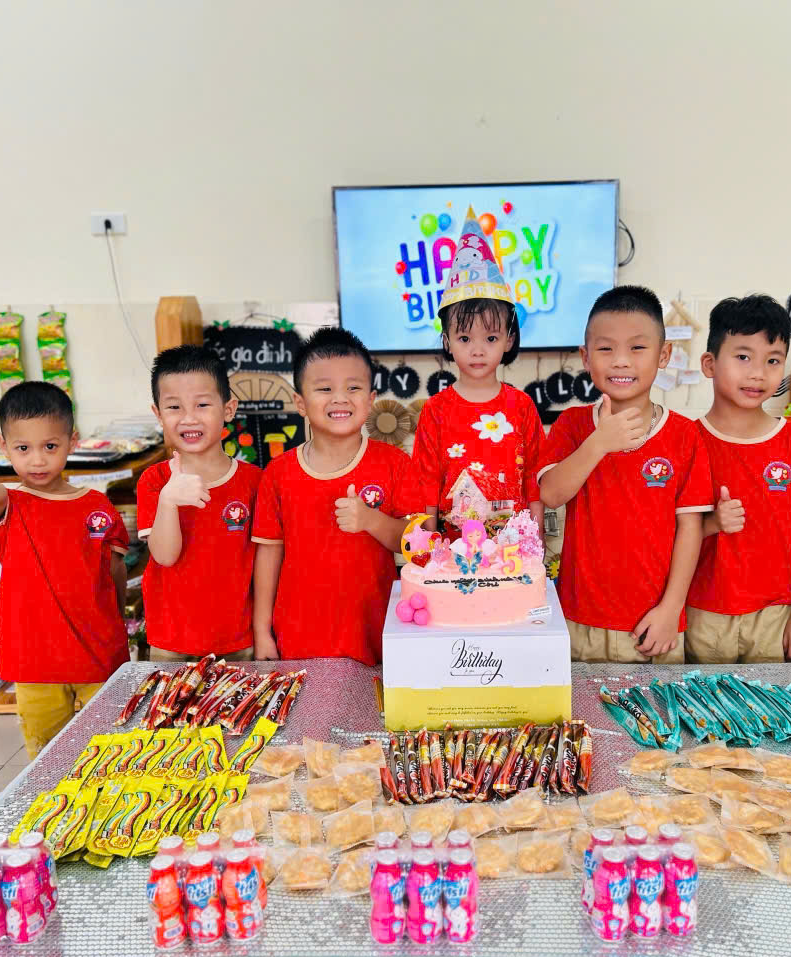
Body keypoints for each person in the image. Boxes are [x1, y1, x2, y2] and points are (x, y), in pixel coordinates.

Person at [0, 382, 128, 758]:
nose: (37, 460)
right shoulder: (10, 504)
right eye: (23, 448)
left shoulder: (98, 506)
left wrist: (117, 630)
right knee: (47, 758)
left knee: (112, 753)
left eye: (50, 446)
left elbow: (115, 572)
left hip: (100, 655)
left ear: (72, 441)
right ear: (3, 447)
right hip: (36, 664)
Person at [538, 285, 713, 663]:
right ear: (585, 357)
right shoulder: (572, 425)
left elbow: (690, 529)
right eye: (606, 349)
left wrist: (671, 610)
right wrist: (600, 443)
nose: (620, 361)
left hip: (655, 626)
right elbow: (550, 494)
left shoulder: (685, 435)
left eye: (637, 348)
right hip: (580, 619)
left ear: (664, 355)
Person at [252, 327, 410, 664]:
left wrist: (371, 520)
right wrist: (261, 631)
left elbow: (413, 542)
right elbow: (268, 556)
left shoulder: (394, 463)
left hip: (375, 635)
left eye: (353, 388)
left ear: (371, 399)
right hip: (298, 639)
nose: (340, 398)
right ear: (300, 403)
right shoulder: (278, 474)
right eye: (325, 389)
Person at [685, 295, 791, 664]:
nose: (758, 373)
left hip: (776, 613)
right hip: (702, 611)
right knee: (704, 701)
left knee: (769, 702)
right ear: (710, 364)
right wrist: (712, 523)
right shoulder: (687, 440)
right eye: (743, 357)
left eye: (773, 361)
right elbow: (670, 532)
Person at [404, 207, 543, 539]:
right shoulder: (436, 410)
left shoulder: (522, 406)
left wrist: (535, 542)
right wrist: (429, 548)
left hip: (514, 552)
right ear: (447, 341)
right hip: (452, 552)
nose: (477, 350)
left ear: (509, 339)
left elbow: (535, 480)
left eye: (490, 338)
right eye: (465, 338)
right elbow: (426, 484)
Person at [138, 345, 261, 662]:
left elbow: (266, 563)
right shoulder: (154, 481)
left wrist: (263, 632)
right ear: (158, 414)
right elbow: (165, 555)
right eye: (174, 407)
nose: (189, 418)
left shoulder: (254, 481)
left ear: (228, 409)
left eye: (202, 404)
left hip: (239, 638)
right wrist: (168, 500)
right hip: (172, 642)